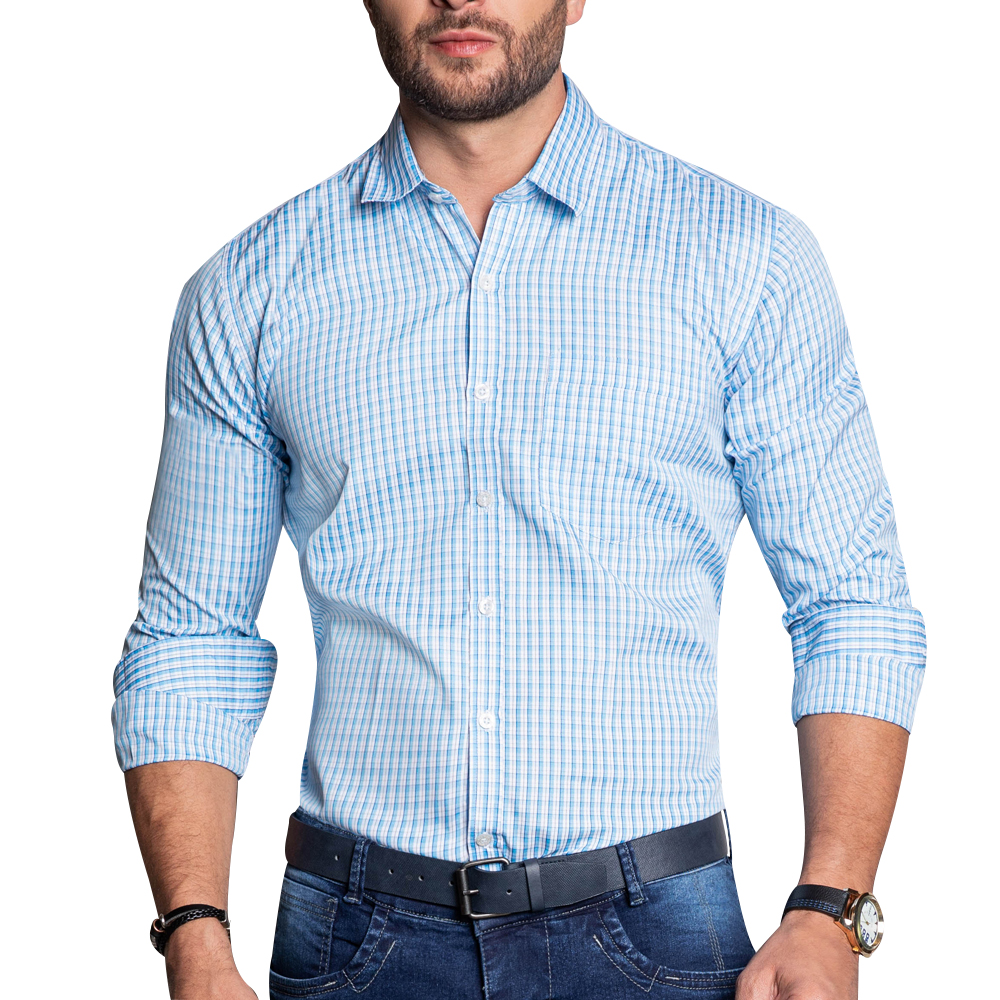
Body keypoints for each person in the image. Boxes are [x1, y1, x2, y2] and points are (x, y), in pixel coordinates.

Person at [112, 2, 926, 998]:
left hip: (658, 934)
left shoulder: (743, 257)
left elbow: (850, 602)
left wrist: (830, 908)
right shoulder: (250, 289)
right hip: (356, 944)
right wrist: (195, 937)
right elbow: (192, 637)